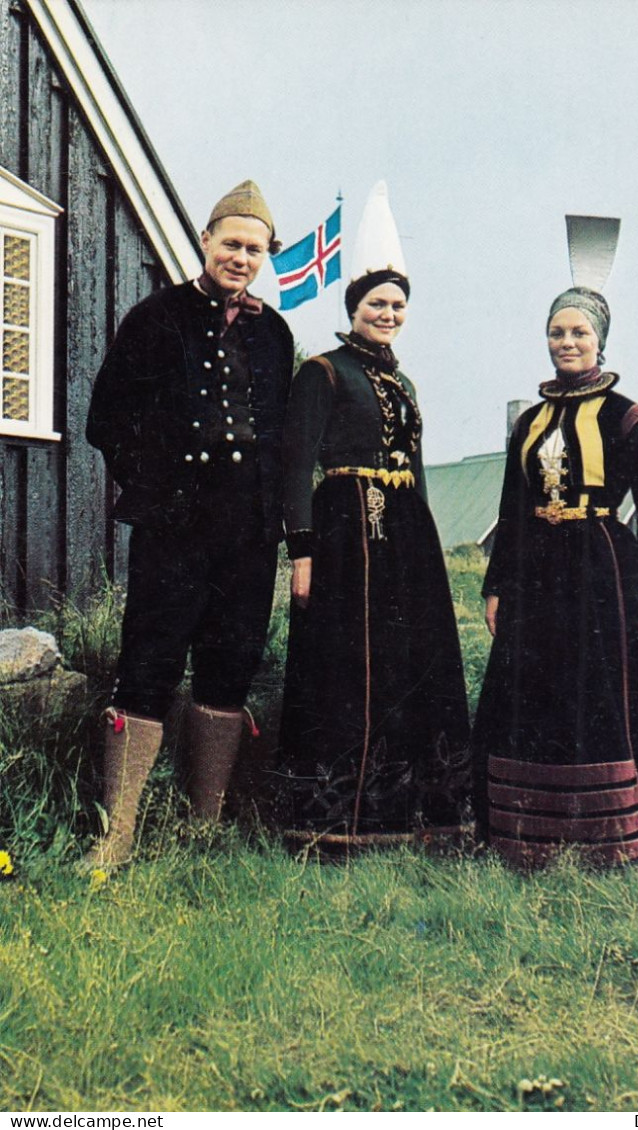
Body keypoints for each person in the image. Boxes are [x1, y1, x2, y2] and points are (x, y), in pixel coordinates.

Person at [83, 180, 294, 867]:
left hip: (249, 536)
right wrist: (160, 490)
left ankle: (203, 828)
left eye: (253, 249)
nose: (240, 257)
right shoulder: (156, 317)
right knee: (147, 665)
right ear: (205, 241)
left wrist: (275, 523)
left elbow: (283, 438)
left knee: (229, 669)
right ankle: (115, 836)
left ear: (266, 256)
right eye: (230, 244)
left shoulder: (274, 332)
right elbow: (106, 419)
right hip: (173, 530)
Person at [472, 285, 638, 867]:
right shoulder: (529, 421)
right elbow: (511, 508)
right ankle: (522, 833)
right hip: (533, 574)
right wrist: (496, 585)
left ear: (600, 341)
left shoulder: (632, 419)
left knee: (599, 694)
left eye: (580, 333)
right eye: (558, 332)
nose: (567, 342)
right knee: (530, 692)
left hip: (600, 572)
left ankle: (613, 832)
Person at [279, 182, 471, 848]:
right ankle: (336, 821)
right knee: (347, 668)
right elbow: (294, 465)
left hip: (403, 542)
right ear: (353, 306)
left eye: (396, 305)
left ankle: (411, 816)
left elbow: (413, 469)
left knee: (408, 665)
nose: (386, 313)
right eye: (375, 303)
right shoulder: (322, 373)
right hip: (341, 538)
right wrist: (300, 551)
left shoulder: (405, 384)